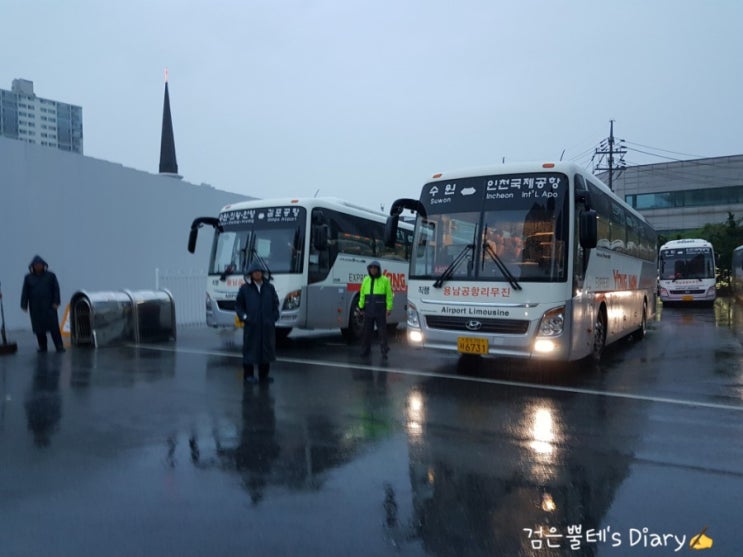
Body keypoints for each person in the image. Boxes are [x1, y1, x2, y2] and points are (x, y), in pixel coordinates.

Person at [235, 262, 280, 385]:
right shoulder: (245, 289)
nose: (257, 273)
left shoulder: (269, 288)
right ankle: (248, 375)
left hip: (266, 325)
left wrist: (274, 317)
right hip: (252, 325)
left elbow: (275, 303)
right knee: (250, 349)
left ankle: (264, 375)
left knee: (265, 350)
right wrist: (245, 317)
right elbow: (239, 306)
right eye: (255, 272)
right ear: (251, 274)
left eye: (259, 271)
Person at [20, 255, 65, 353]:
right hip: (35, 308)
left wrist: (56, 302)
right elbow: (25, 292)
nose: (38, 266)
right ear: (33, 266)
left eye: (40, 264)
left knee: (54, 328)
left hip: (49, 307)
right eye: (36, 264)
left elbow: (56, 289)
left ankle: (59, 346)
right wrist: (24, 304)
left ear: (44, 265)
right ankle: (42, 346)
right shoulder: (28, 278)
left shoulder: (51, 276)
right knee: (39, 329)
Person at [358, 260, 394, 360]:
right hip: (369, 309)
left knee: (382, 332)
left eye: (375, 268)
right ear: (369, 269)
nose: (373, 270)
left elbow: (389, 295)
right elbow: (362, 294)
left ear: (378, 269)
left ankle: (384, 350)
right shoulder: (366, 280)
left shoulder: (385, 280)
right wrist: (361, 307)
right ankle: (365, 350)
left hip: (380, 310)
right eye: (371, 268)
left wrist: (389, 308)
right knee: (366, 332)